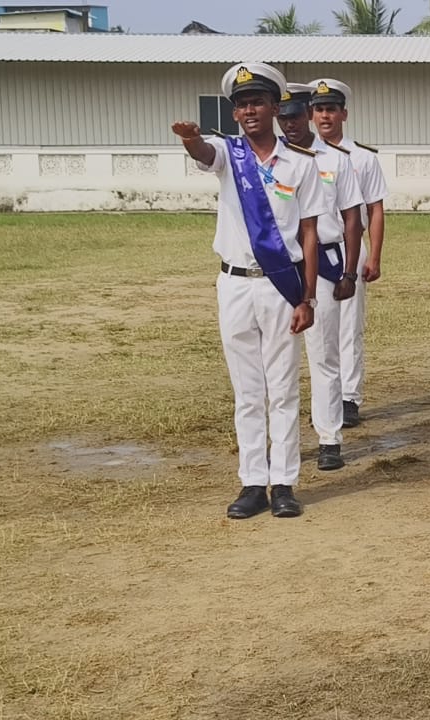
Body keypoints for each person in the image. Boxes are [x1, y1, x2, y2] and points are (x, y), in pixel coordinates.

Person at [171, 63, 328, 519]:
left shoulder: (301, 165)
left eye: (257, 101)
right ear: (235, 113)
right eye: (241, 105)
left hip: (281, 286)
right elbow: (203, 152)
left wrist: (308, 297)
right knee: (247, 390)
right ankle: (252, 483)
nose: (249, 110)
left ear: (275, 107)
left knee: (282, 388)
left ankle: (284, 483)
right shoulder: (228, 154)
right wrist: (189, 139)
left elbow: (311, 233)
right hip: (235, 284)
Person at [277, 82, 365, 471]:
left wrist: (349, 271)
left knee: (324, 356)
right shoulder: (270, 160)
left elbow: (352, 219)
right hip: (279, 266)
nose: (289, 124)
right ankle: (284, 443)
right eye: (283, 117)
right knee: (278, 362)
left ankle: (329, 438)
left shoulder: (335, 159)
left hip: (326, 265)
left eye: (296, 115)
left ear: (309, 114)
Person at [309, 78, 388, 429]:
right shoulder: (301, 155)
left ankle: (350, 397)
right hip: (311, 251)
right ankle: (324, 397)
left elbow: (376, 210)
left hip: (347, 249)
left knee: (348, 327)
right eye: (319, 109)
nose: (325, 116)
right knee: (317, 328)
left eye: (331, 109)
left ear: (344, 114)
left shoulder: (362, 158)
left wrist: (374, 257)